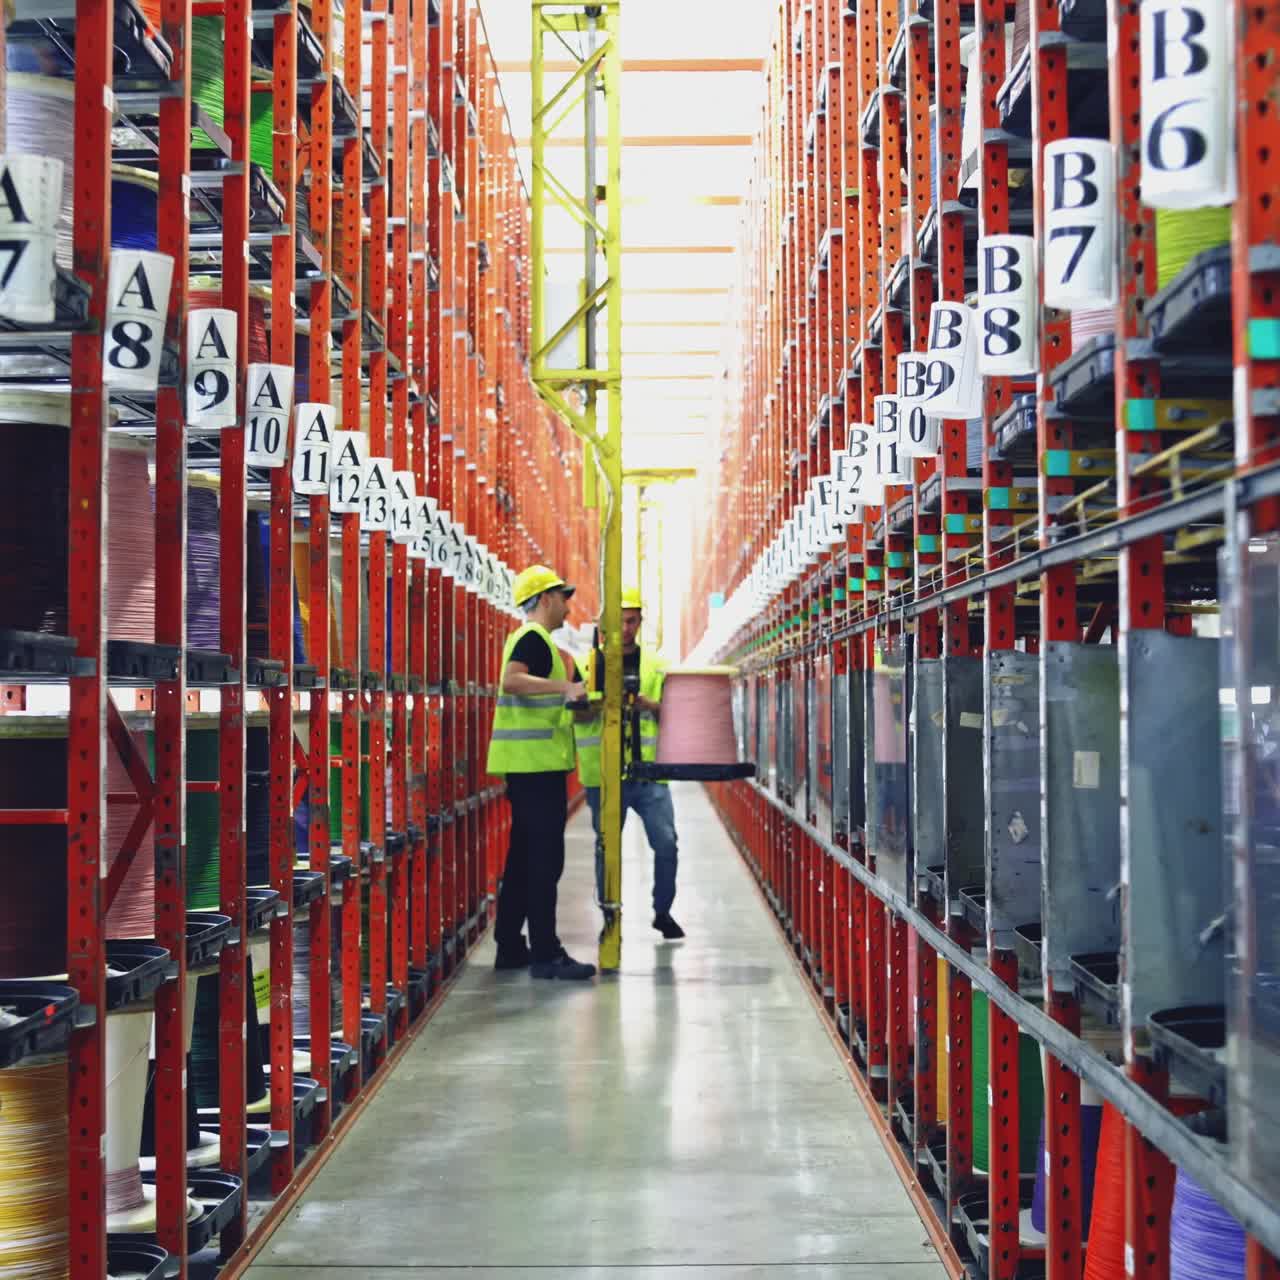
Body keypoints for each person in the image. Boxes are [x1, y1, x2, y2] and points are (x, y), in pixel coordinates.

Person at [486, 564, 596, 980]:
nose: (568, 608)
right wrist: (564, 688)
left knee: (522, 860)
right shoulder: (531, 638)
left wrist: (579, 694)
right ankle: (546, 954)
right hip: (535, 770)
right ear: (545, 598)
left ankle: (510, 946)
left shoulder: (549, 648)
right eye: (563, 598)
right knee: (545, 862)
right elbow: (511, 682)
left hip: (533, 769)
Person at [574, 588, 684, 940]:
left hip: (650, 774)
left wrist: (651, 706)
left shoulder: (657, 666)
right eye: (618, 620)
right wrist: (602, 702)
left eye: (632, 620)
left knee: (666, 843)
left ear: (640, 621)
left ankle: (663, 911)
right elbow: (575, 715)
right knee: (606, 848)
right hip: (605, 775)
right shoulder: (587, 664)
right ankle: (609, 913)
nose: (625, 627)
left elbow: (680, 716)